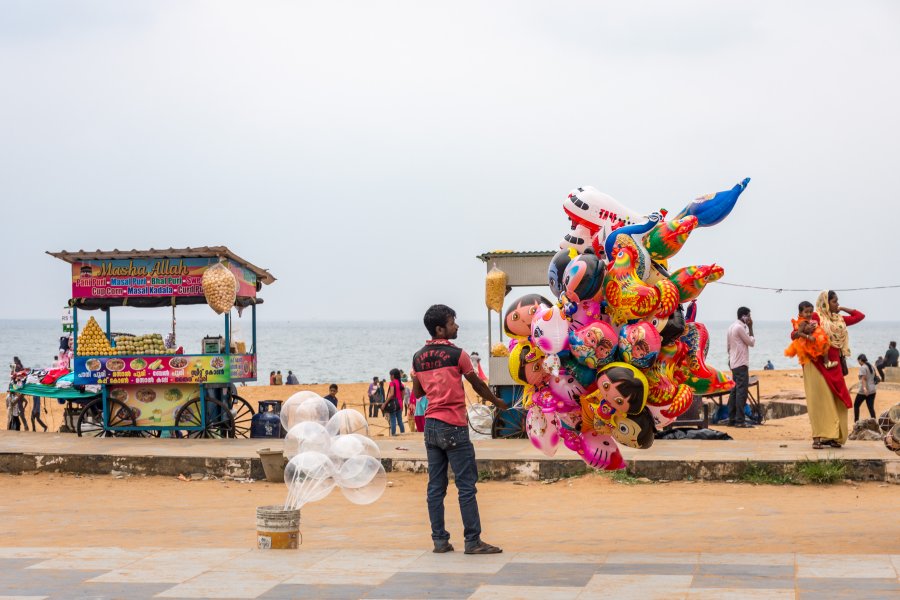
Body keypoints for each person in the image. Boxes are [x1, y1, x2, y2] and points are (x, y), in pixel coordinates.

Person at [412, 304, 508, 555]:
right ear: (440, 328)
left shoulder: (418, 357)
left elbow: (418, 392)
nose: (457, 326)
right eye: (453, 322)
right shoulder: (458, 355)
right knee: (466, 485)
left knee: (436, 487)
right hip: (454, 425)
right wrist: (497, 402)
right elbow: (477, 385)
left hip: (431, 426)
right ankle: (473, 541)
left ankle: (440, 541)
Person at [793, 290, 865, 449]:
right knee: (819, 401)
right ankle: (818, 437)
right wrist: (806, 333)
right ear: (826, 303)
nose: (837, 304)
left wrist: (843, 308)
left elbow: (860, 316)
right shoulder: (817, 317)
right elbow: (796, 331)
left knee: (838, 399)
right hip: (817, 364)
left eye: (837, 301)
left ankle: (834, 437)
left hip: (835, 365)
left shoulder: (839, 319)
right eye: (834, 301)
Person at [726, 306, 756, 428]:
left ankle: (731, 419)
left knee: (734, 391)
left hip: (733, 362)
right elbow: (751, 342)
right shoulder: (740, 327)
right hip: (741, 363)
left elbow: (728, 346)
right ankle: (739, 420)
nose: (750, 318)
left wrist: (731, 360)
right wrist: (750, 327)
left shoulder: (731, 327)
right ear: (744, 316)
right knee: (741, 392)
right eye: (749, 315)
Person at [785, 300, 833, 367]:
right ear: (800, 313)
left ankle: (826, 362)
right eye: (806, 312)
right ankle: (826, 362)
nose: (809, 314)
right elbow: (796, 334)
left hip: (812, 343)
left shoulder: (812, 319)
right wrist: (808, 335)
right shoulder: (802, 322)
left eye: (811, 312)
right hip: (806, 345)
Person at [854, 354, 877, 422]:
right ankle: (875, 422)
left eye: (858, 361)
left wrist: (864, 389)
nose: (858, 362)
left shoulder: (863, 367)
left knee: (856, 405)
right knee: (871, 408)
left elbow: (863, 379)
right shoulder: (871, 366)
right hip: (872, 390)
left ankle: (856, 421)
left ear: (860, 360)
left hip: (864, 391)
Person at [384, 369, 406, 436]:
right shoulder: (401, 384)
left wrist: (385, 403)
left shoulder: (392, 383)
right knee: (400, 421)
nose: (390, 377)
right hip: (400, 404)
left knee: (393, 420)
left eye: (390, 375)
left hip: (393, 404)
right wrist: (400, 403)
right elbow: (402, 397)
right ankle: (403, 433)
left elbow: (391, 394)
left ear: (393, 376)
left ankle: (393, 434)